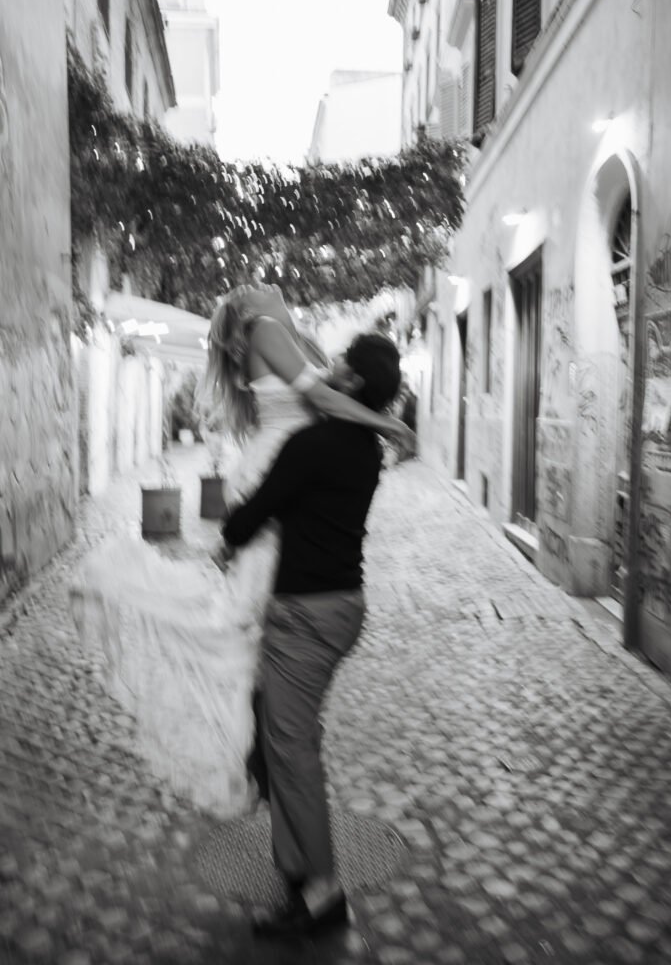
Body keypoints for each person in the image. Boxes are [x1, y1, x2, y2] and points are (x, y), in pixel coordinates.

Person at [70, 284, 414, 819]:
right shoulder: (267, 330)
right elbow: (323, 399)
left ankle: (272, 740)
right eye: (250, 290)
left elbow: (331, 391)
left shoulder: (287, 334)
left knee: (252, 617)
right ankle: (271, 750)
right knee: (241, 613)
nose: (261, 286)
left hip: (283, 468)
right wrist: (387, 422)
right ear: (249, 314)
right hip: (277, 470)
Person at [219, 332, 402, 936]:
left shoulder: (312, 445)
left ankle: (322, 893)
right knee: (277, 740)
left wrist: (229, 534)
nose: (328, 367)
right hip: (341, 605)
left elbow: (251, 515)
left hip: (305, 615)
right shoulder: (364, 449)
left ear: (349, 384)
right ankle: (296, 862)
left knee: (292, 754)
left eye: (340, 363)